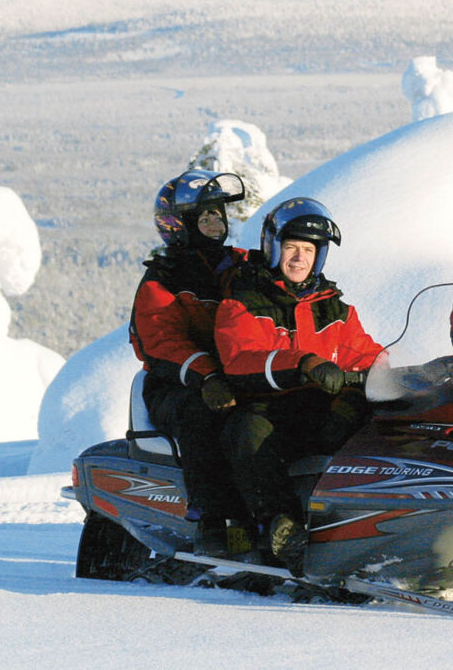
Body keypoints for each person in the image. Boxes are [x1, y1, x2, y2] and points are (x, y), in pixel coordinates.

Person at [214, 197, 385, 573]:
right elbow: (240, 358)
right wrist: (303, 364)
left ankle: (380, 522)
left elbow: (363, 352)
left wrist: (397, 372)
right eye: (291, 247)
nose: (299, 258)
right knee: (248, 432)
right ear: (274, 248)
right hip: (267, 408)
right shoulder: (244, 300)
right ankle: (280, 526)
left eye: (309, 250)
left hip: (320, 408)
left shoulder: (334, 306)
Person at [129, 169, 249, 555]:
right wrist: (206, 375)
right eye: (205, 218)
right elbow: (161, 341)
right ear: (180, 225)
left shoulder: (243, 265)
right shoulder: (162, 279)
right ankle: (212, 521)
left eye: (218, 216)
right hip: (175, 385)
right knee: (203, 413)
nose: (215, 225)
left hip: (236, 374)